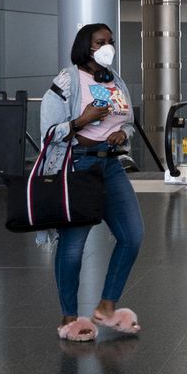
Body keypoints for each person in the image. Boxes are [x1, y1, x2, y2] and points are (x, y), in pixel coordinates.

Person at [38, 23, 145, 341]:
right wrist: (82, 120)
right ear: (86, 46)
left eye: (110, 42)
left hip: (110, 165)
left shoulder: (115, 80)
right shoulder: (67, 81)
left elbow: (128, 122)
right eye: (100, 42)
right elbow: (47, 133)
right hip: (77, 167)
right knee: (73, 248)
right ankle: (69, 318)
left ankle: (107, 307)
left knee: (132, 236)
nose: (107, 47)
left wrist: (122, 133)